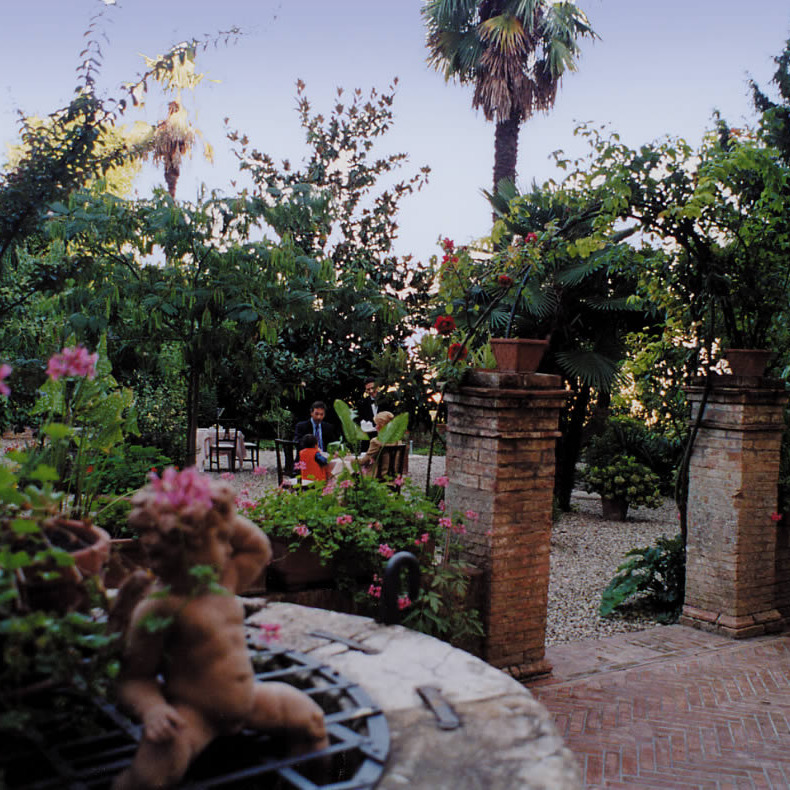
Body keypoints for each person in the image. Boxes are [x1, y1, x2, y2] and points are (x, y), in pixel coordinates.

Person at [111, 468, 327, 790]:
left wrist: (215, 512)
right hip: (194, 715)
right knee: (149, 777)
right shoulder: (161, 608)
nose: (229, 548)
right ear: (183, 550)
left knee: (312, 721)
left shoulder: (221, 582)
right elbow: (134, 677)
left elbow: (258, 547)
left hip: (248, 700)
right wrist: (153, 709)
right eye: (220, 539)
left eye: (227, 536)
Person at [359, 411, 395, 475]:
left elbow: (364, 461)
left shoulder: (376, 441)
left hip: (377, 476)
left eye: (376, 424)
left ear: (380, 426)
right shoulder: (398, 441)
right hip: (393, 476)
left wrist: (350, 460)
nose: (375, 427)